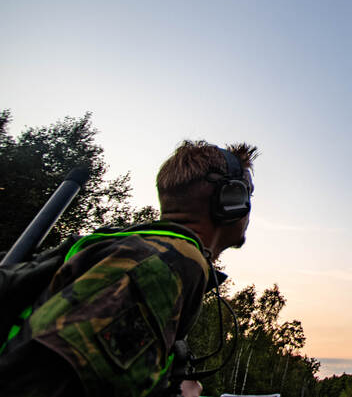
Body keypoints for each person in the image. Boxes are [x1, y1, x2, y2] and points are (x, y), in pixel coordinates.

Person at [0, 140, 258, 396]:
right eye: (248, 194)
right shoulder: (162, 264)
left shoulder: (142, 252)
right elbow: (43, 382)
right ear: (231, 200)